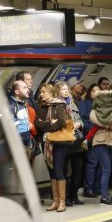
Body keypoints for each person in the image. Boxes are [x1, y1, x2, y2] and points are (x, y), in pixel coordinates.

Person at [34, 83, 71, 212]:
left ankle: (62, 202)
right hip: (46, 143)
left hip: (59, 143)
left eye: (44, 91)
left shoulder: (59, 105)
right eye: (41, 91)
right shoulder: (41, 107)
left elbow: (61, 121)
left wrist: (47, 126)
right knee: (52, 171)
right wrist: (50, 123)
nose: (41, 94)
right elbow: (37, 123)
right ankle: (55, 200)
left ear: (51, 93)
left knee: (59, 170)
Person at [55, 81, 85, 207]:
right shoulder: (56, 105)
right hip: (64, 142)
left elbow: (81, 121)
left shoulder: (73, 103)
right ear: (58, 92)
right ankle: (65, 197)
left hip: (76, 141)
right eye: (63, 89)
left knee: (78, 170)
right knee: (64, 171)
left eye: (67, 89)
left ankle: (74, 195)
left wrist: (79, 125)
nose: (66, 91)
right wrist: (72, 124)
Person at [79, 84, 102, 197]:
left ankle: (97, 188)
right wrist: (96, 126)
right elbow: (83, 118)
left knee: (101, 163)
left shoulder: (103, 104)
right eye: (93, 91)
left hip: (103, 136)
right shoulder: (84, 103)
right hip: (91, 135)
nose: (96, 93)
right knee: (92, 162)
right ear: (89, 92)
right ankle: (88, 189)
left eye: (98, 91)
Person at [8, 80, 33, 158]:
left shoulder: (23, 104)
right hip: (18, 148)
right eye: (24, 88)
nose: (28, 90)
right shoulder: (11, 107)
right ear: (17, 91)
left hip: (27, 145)